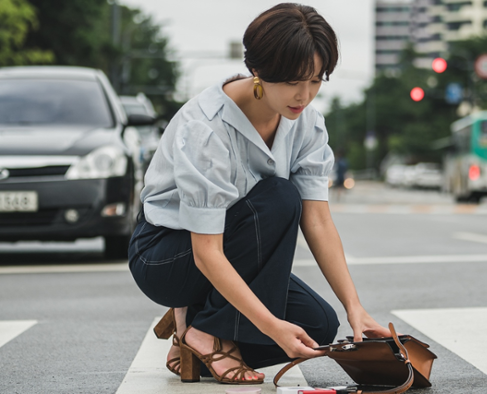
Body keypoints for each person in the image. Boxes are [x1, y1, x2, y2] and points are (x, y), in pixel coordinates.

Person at [128, 3, 391, 385]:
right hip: (168, 255)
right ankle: (204, 331)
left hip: (231, 251)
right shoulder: (207, 128)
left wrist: (356, 309)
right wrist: (270, 326)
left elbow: (317, 220)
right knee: (281, 198)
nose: (304, 95)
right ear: (258, 71)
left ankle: (198, 332)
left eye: (316, 80)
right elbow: (207, 252)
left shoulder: (307, 123)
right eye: (292, 81)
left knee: (319, 325)